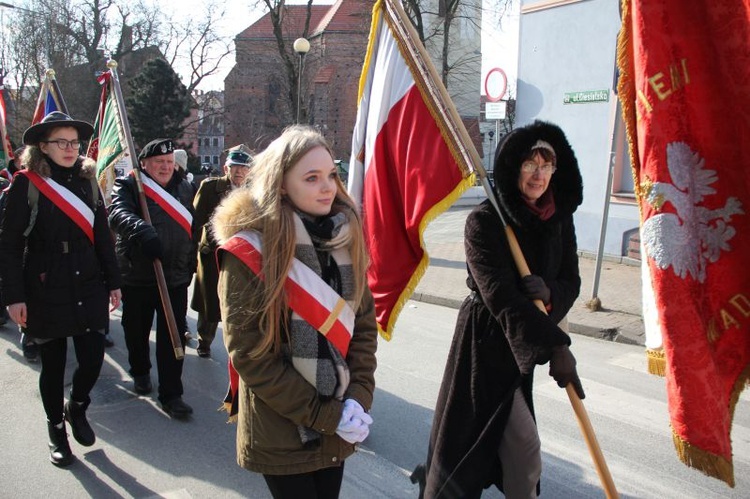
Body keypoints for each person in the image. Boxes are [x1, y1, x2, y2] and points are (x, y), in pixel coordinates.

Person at [416, 121, 586, 498]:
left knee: (516, 459)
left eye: (547, 165)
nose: (539, 174)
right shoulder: (485, 221)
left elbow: (571, 280)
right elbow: (502, 299)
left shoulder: (558, 219)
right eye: (530, 164)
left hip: (524, 348)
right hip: (485, 348)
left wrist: (552, 293)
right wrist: (557, 346)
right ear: (513, 167)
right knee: (506, 452)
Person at [212, 125, 377, 499]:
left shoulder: (344, 237)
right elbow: (250, 357)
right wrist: (327, 416)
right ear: (282, 184)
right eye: (312, 178)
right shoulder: (249, 253)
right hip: (282, 428)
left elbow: (364, 329)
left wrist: (358, 397)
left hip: (336, 418)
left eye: (331, 175)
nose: (328, 187)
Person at [0, 112, 122, 466]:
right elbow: (8, 245)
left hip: (88, 282)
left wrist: (114, 282)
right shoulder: (27, 184)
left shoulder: (88, 182)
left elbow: (103, 236)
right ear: (43, 146)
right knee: (53, 367)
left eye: (74, 142)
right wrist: (13, 296)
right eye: (61, 142)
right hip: (45, 284)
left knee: (93, 357)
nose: (70, 149)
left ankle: (77, 405)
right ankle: (56, 430)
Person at [108, 138, 197, 419]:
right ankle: (141, 371)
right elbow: (117, 213)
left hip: (175, 275)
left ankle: (172, 394)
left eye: (169, 162)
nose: (165, 167)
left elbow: (192, 225)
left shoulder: (185, 186)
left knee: (173, 335)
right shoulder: (129, 185)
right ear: (144, 164)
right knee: (136, 329)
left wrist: (190, 262)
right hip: (138, 274)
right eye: (159, 162)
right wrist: (141, 230)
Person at [190, 144, 253, 357]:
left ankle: (235, 347)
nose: (240, 172)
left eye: (244, 168)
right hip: (213, 254)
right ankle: (204, 340)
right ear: (226, 168)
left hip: (241, 256)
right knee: (209, 302)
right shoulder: (210, 188)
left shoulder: (253, 192)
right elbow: (196, 220)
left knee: (236, 302)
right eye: (235, 167)